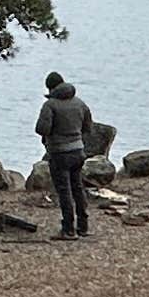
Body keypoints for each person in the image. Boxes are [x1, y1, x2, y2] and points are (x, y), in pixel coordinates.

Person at [35, 71, 96, 238]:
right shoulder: (80, 103)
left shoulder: (50, 105)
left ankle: (68, 229)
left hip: (59, 153)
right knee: (78, 187)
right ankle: (83, 226)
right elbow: (88, 127)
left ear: (50, 87)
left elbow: (42, 129)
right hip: (78, 151)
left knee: (64, 190)